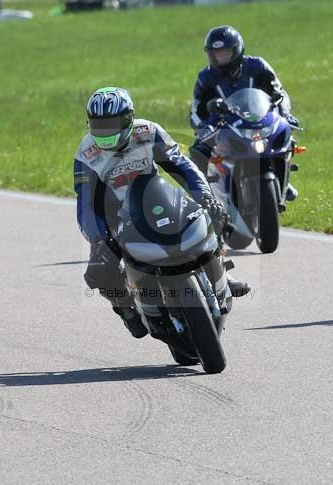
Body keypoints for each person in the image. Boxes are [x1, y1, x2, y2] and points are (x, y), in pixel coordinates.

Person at [74, 87, 250, 338]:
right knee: (99, 267)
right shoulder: (86, 153)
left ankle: (221, 270)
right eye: (99, 125)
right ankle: (124, 308)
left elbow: (181, 165)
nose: (106, 132)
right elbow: (86, 204)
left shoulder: (148, 132)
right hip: (113, 214)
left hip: (155, 197)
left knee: (208, 214)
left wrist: (205, 196)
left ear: (128, 120)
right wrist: (97, 238)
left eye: (112, 124)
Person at [189, 25, 300, 200]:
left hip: (259, 119)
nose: (220, 58)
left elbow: (279, 92)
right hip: (224, 126)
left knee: (286, 135)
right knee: (198, 151)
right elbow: (196, 109)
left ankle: (283, 180)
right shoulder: (206, 77)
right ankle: (203, 195)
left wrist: (285, 114)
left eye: (225, 53)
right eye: (216, 54)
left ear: (237, 50)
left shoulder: (258, 66)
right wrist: (202, 127)